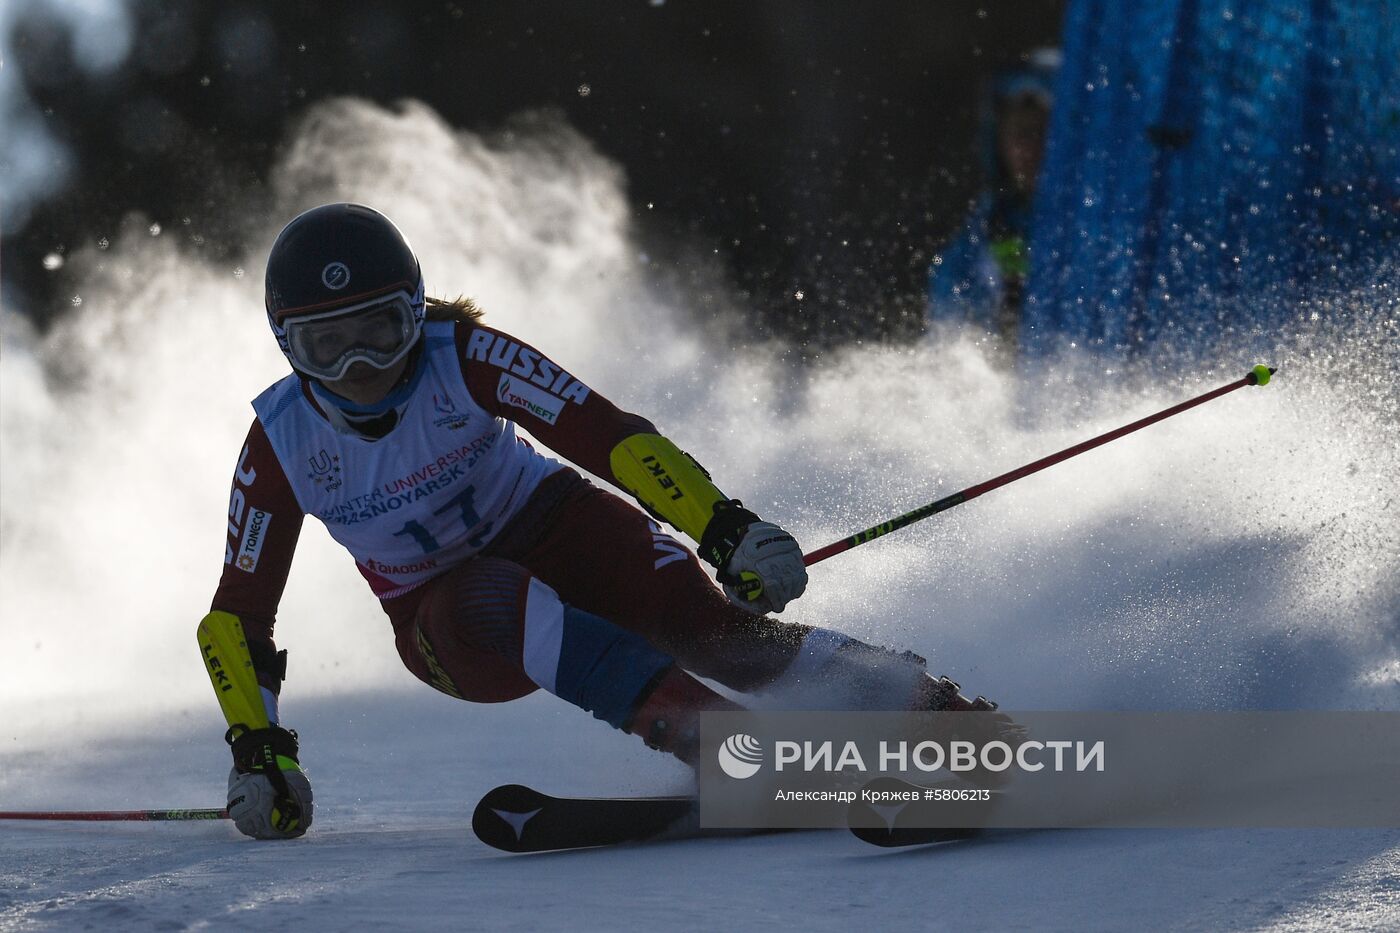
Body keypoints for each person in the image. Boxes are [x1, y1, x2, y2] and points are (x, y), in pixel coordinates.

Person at [210, 203, 1001, 840]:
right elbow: (238, 617)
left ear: (414, 312)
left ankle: (943, 715)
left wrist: (727, 530)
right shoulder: (280, 444)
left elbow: (605, 435)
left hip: (556, 525)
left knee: (706, 626)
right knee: (490, 594)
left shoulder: (466, 356)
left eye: (379, 330)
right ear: (288, 347)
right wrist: (260, 754)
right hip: (445, 624)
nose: (362, 368)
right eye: (328, 347)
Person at [927, 49, 1060, 350]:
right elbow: (950, 320)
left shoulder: (1088, 222)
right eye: (1019, 134)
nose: (1029, 149)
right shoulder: (989, 224)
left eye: (1043, 133)